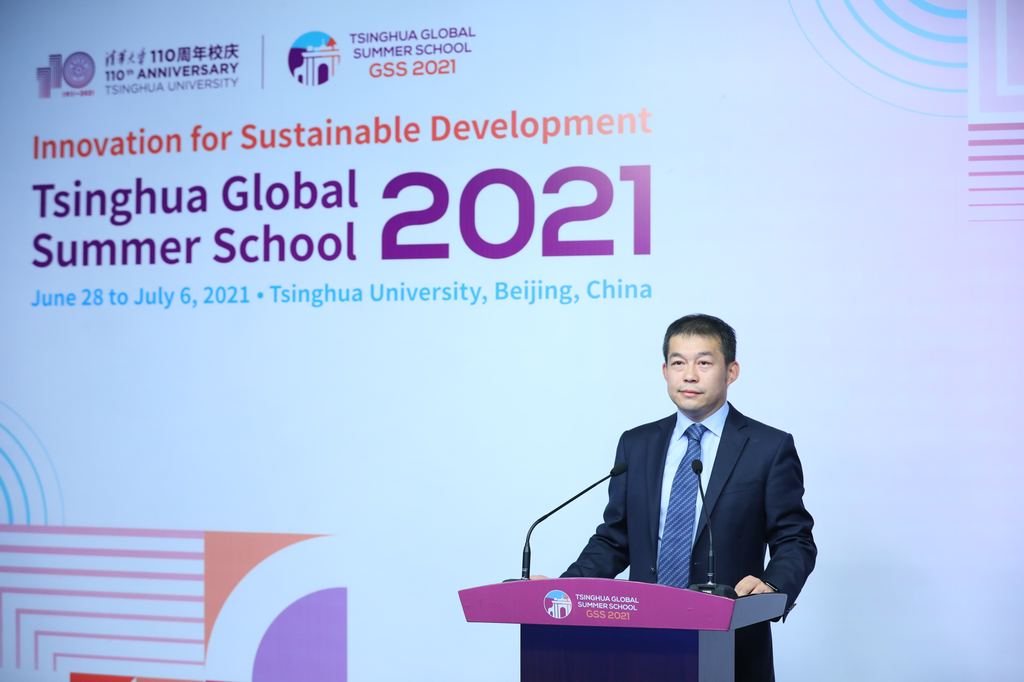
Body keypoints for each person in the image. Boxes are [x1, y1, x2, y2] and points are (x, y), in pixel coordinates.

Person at [555, 314, 816, 682]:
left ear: (731, 371)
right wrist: (561, 590)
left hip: (730, 640)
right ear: (665, 371)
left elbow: (794, 538)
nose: (689, 375)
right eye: (678, 363)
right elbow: (615, 539)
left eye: (704, 363)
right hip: (642, 639)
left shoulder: (768, 447)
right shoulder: (637, 444)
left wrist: (773, 586)